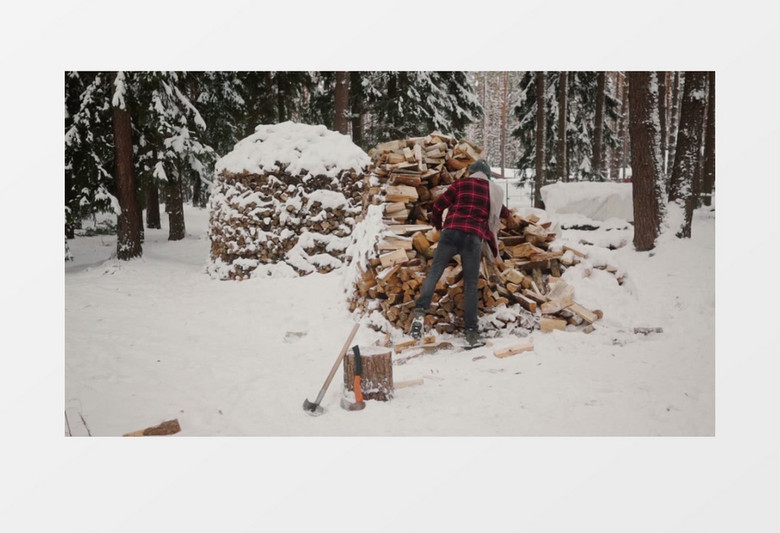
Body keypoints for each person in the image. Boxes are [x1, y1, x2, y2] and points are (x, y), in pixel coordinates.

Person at [410, 159, 515, 348]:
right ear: (488, 175)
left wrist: (439, 225)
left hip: (450, 233)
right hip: (473, 238)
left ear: (472, 172)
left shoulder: (460, 184)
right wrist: (509, 219)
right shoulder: (493, 193)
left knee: (434, 272)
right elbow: (499, 215)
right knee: (471, 285)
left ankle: (419, 312)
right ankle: (471, 331)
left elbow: (438, 205)